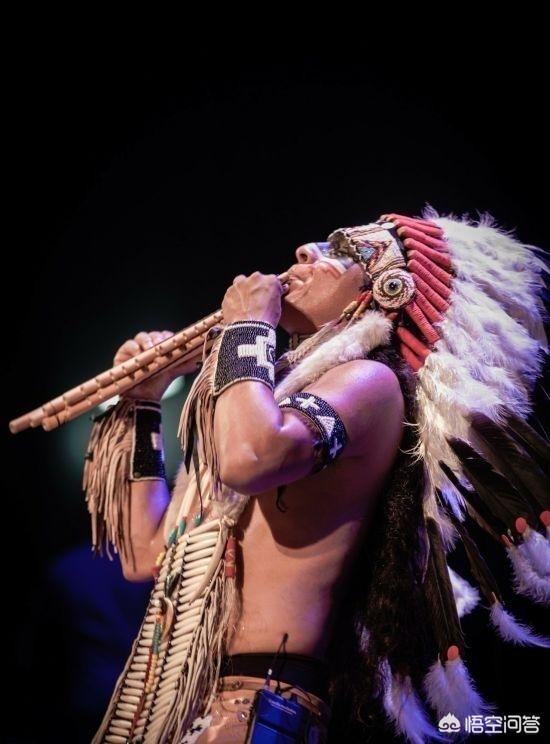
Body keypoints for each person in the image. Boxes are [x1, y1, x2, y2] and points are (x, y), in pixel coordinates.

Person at [83, 207, 550, 743]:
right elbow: (145, 554)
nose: (305, 252)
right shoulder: (260, 400)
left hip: (254, 706)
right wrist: (143, 403)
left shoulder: (370, 383)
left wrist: (248, 326)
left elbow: (251, 457)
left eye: (342, 253)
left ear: (386, 289)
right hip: (174, 700)